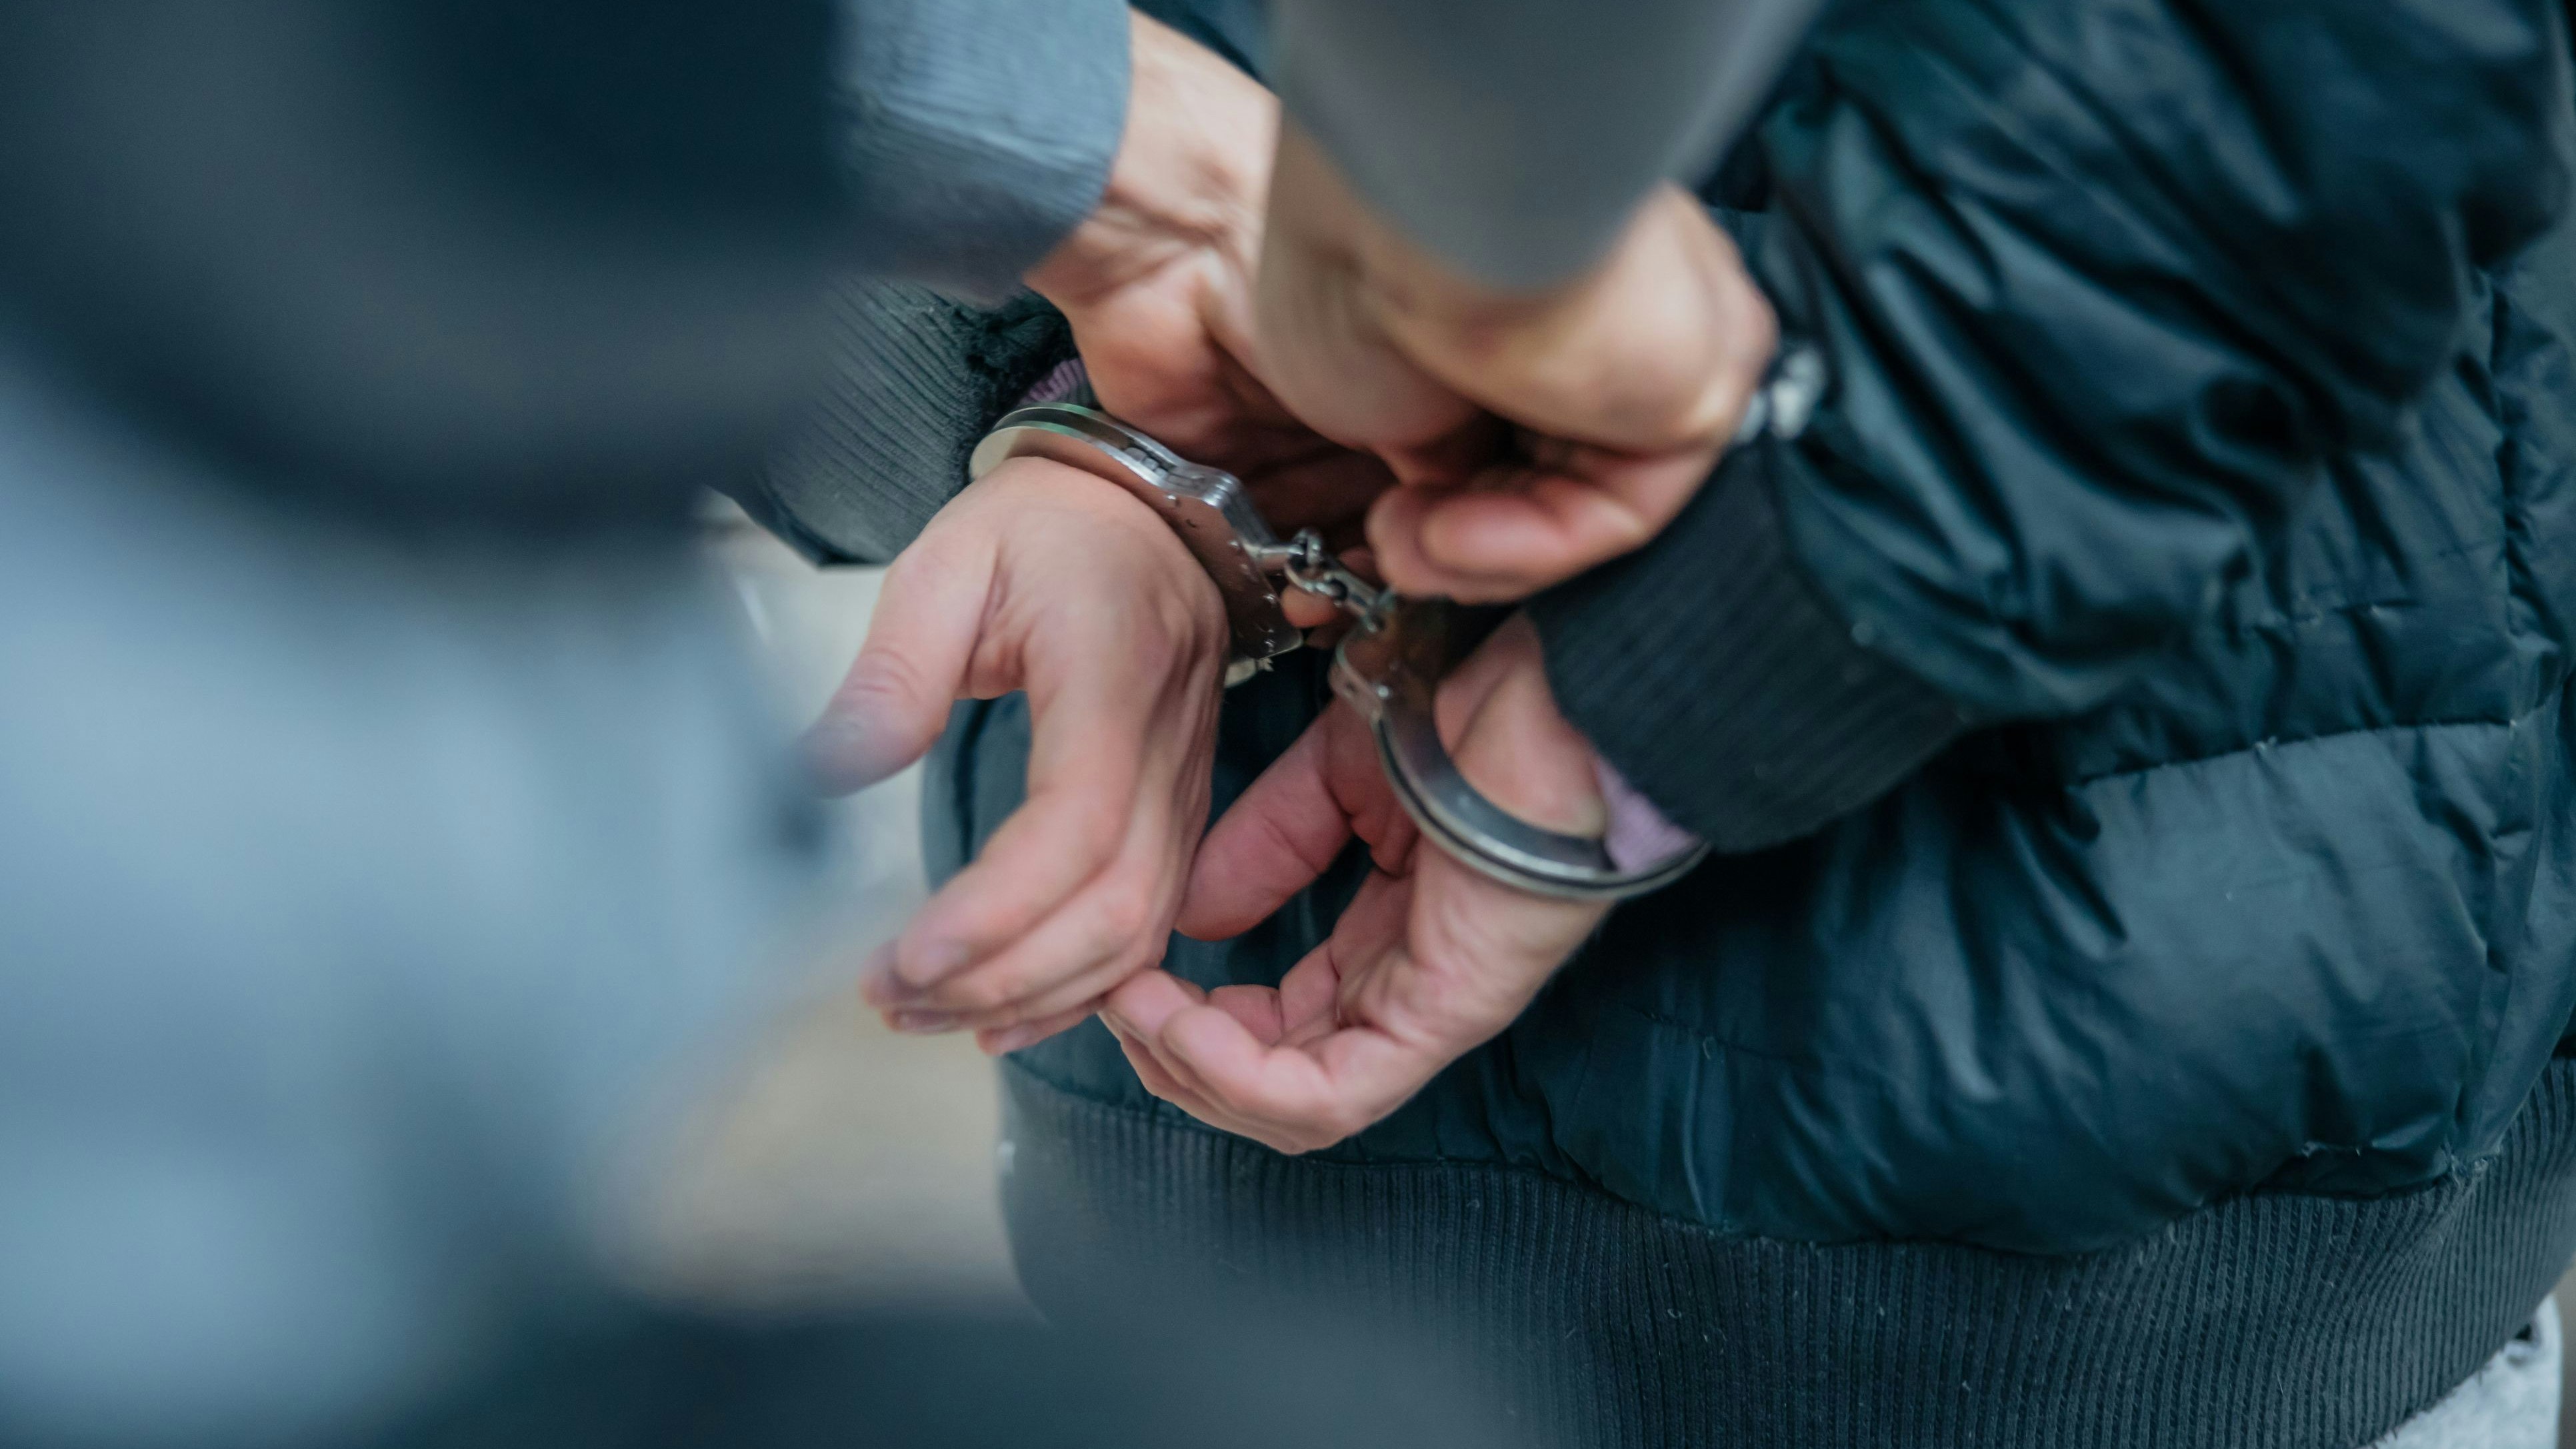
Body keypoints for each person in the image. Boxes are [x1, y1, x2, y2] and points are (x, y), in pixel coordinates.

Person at [779, 1, 2576, 1446]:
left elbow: (2292, 70)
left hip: (2178, 1284)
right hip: (1207, 1254)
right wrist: (1113, 411)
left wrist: (1709, 655)